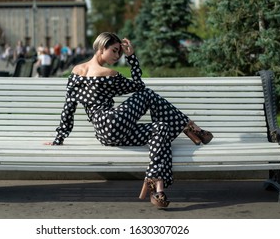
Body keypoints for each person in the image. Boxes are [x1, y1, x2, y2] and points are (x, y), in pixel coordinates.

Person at [45, 32, 213, 208]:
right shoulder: (108, 73)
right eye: (115, 51)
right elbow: (139, 86)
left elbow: (68, 108)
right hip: (113, 122)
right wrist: (131, 57)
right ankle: (189, 127)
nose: (118, 56)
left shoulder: (76, 72)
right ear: (102, 48)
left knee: (161, 128)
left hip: (106, 135)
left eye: (120, 52)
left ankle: (158, 188)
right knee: (146, 94)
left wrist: (59, 139)